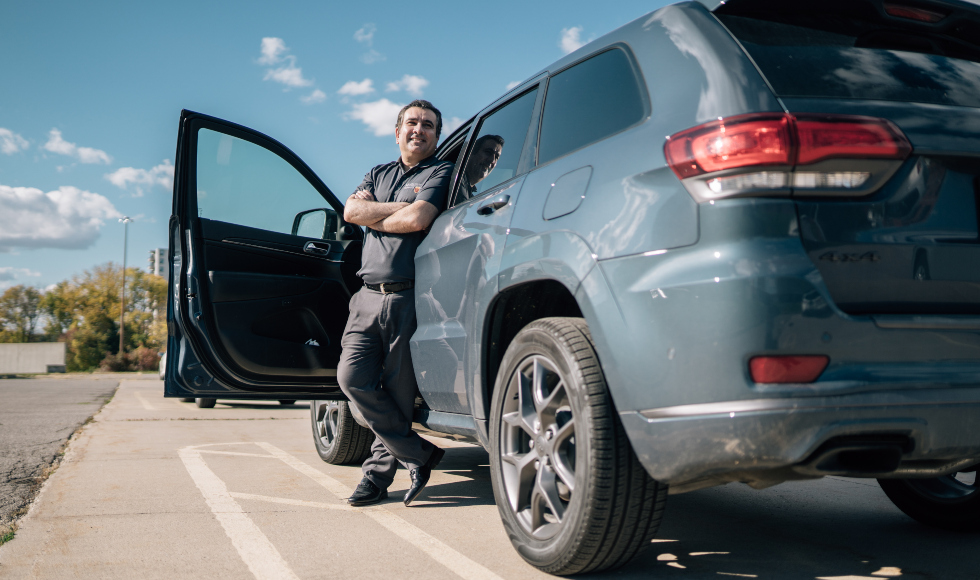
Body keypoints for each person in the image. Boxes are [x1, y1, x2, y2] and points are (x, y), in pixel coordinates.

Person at [340, 99, 454, 507]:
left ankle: (376, 478)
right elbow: (350, 210)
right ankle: (421, 454)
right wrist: (392, 209)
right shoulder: (378, 172)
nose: (418, 130)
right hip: (365, 297)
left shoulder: (441, 172)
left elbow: (418, 220)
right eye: (411, 122)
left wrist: (375, 215)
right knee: (351, 379)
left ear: (436, 136)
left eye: (428, 125)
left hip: (407, 299)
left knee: (398, 394)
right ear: (397, 130)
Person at [458, 134, 504, 200]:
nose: (492, 160)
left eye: (496, 157)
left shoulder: (470, 197)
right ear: (471, 152)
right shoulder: (452, 178)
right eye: (488, 152)